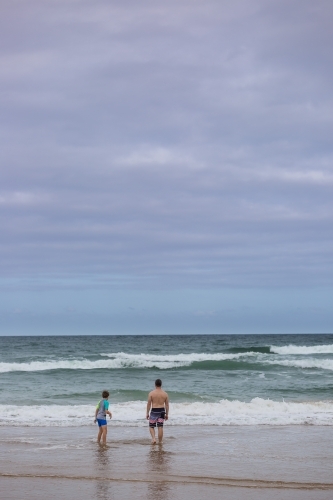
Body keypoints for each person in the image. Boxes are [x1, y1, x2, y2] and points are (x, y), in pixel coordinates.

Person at [146, 379, 169, 444]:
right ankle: (160, 441)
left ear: (155, 384)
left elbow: (149, 404)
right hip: (162, 411)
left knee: (151, 426)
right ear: (161, 384)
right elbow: (167, 405)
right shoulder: (165, 394)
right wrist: (167, 414)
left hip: (154, 410)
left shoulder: (151, 393)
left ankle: (153, 439)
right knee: (160, 427)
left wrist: (147, 413)